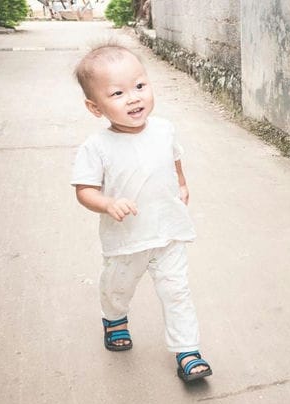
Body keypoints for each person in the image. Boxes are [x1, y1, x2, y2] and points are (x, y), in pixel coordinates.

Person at [70, 43, 212, 382]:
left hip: (168, 233)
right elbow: (83, 191)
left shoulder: (164, 129)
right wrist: (107, 203)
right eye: (117, 93)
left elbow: (175, 158)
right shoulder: (97, 147)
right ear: (95, 107)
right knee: (118, 288)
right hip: (127, 239)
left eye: (140, 86)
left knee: (177, 291)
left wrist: (182, 183)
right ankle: (114, 318)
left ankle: (187, 351)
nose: (134, 98)